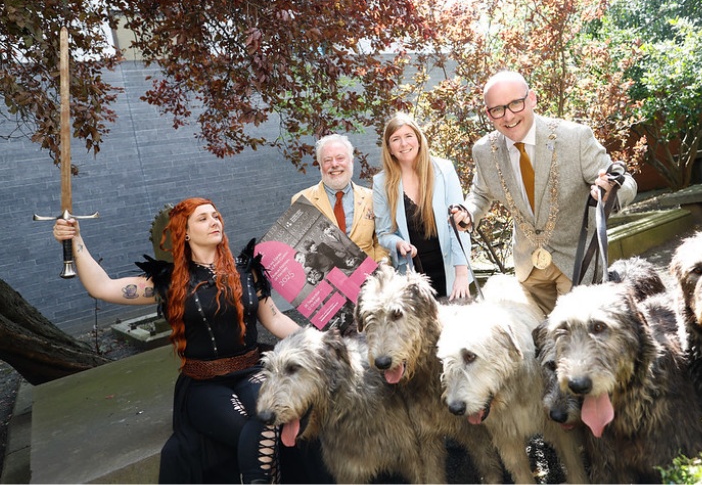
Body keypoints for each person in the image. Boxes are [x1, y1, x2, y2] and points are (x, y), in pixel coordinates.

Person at [53, 198, 300, 484]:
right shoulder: (171, 283)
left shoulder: (246, 272)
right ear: (185, 232)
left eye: (216, 216)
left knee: (272, 415)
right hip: (205, 383)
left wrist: (319, 341)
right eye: (203, 219)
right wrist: (76, 239)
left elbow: (275, 319)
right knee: (252, 429)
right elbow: (102, 287)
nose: (214, 222)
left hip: (252, 371)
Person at [451, 70, 638, 316]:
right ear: (488, 113)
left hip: (577, 263)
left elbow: (626, 183)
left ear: (532, 99)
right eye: (497, 109)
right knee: (539, 336)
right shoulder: (483, 151)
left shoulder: (575, 137)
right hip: (528, 269)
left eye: (515, 104)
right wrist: (468, 212)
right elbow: (480, 193)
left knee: (573, 333)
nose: (508, 116)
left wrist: (611, 193)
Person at [372, 112, 472, 300]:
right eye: (396, 139)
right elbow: (384, 233)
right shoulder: (381, 183)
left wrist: (461, 274)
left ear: (418, 140)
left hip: (451, 273)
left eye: (408, 136)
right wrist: (398, 243)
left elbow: (459, 226)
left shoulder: (444, 170)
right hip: (412, 278)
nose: (403, 143)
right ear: (389, 149)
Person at [292, 134, 388, 263]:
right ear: (320, 165)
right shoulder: (302, 201)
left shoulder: (372, 197)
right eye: (327, 160)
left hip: (373, 273)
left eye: (340, 158)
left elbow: (382, 241)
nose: (334, 164)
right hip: (340, 270)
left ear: (351, 162)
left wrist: (381, 265)